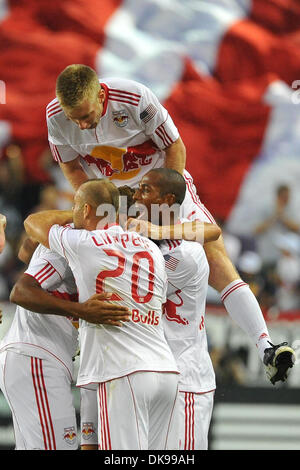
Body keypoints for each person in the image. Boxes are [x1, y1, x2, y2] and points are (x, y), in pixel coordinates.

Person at [46, 65, 285, 371]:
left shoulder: (134, 99)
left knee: (216, 258)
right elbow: (71, 167)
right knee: (87, 259)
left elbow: (175, 147)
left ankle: (265, 345)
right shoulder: (55, 116)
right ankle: (85, 337)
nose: (80, 125)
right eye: (73, 118)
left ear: (101, 96)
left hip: (160, 188)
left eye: (86, 115)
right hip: (113, 199)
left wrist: (162, 213)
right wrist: (97, 201)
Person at [23, 179, 180, 450]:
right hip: (166, 371)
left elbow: (33, 223)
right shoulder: (152, 249)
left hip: (124, 371)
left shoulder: (86, 242)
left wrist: (75, 213)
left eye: (76, 207)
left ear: (85, 210)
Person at [0, 236, 130, 450]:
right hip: (36, 355)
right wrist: (82, 311)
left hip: (40, 357)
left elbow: (25, 250)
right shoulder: (64, 247)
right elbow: (20, 292)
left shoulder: (87, 249)